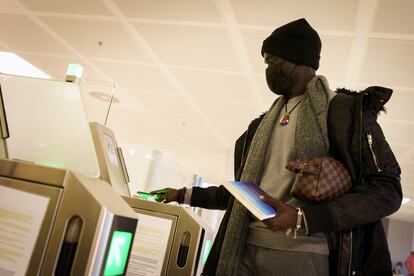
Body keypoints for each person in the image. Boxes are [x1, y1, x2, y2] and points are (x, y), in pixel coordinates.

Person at [151, 18, 402, 276]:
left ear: (299, 59)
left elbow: (387, 191)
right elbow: (244, 194)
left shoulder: (344, 113)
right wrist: (183, 195)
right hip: (244, 247)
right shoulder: (261, 125)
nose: (268, 69)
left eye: (272, 60)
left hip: (304, 253)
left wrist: (303, 219)